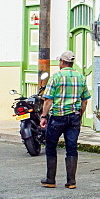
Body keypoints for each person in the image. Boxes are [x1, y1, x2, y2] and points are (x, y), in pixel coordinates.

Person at [40, 51, 90, 189]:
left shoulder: (56, 77)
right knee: (72, 148)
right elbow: (85, 100)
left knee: (51, 147)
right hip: (74, 117)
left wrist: (44, 116)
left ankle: (50, 179)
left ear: (62, 62)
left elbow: (48, 100)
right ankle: (71, 181)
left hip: (57, 117)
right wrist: (80, 114)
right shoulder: (80, 77)